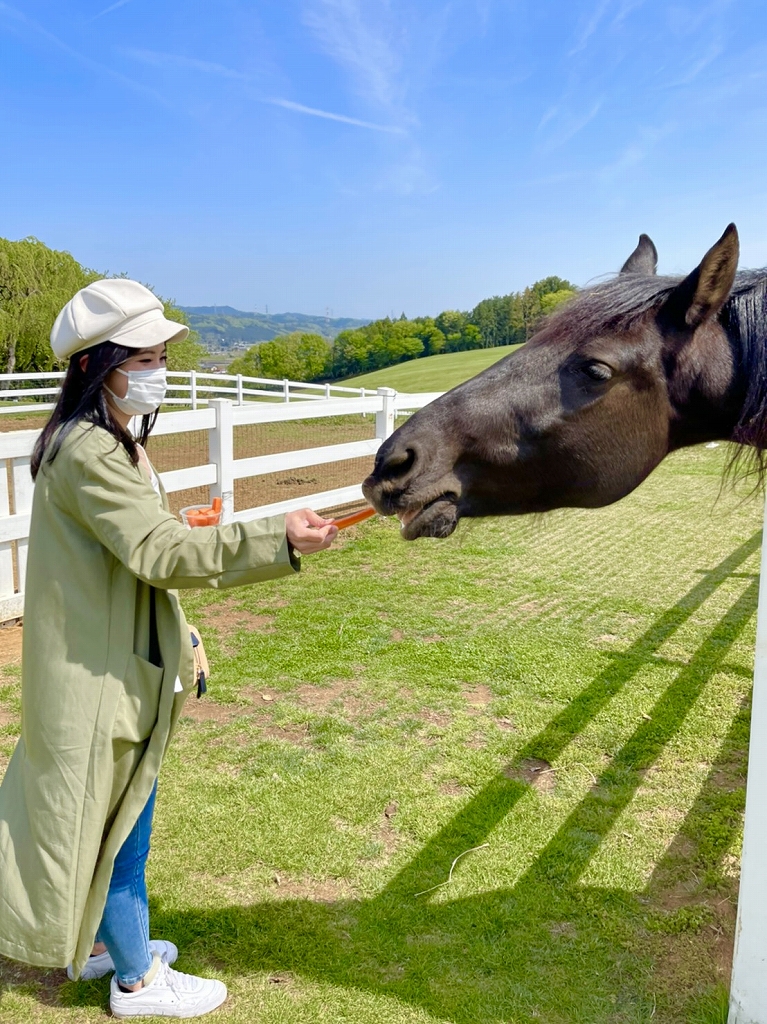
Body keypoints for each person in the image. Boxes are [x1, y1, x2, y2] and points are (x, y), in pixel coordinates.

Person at [0, 279, 338, 1018]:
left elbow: (130, 565)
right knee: (124, 834)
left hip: (106, 662)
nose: (157, 369)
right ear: (99, 365)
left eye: (159, 356)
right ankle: (135, 983)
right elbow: (157, 552)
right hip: (98, 680)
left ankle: (98, 948)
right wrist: (277, 537)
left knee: (99, 819)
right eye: (146, 357)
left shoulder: (103, 439)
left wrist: (183, 634)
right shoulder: (92, 449)